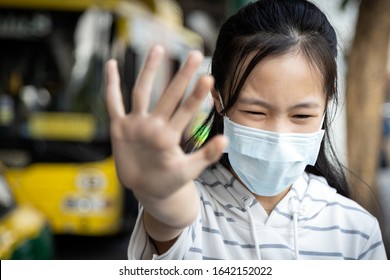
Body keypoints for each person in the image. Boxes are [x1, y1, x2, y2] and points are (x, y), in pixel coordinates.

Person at [105, 0, 387, 259]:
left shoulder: (357, 231)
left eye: (301, 115)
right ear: (218, 99)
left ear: (328, 101)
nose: (279, 136)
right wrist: (158, 195)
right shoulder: (191, 207)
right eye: (255, 112)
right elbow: (170, 217)